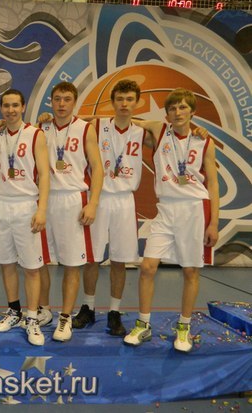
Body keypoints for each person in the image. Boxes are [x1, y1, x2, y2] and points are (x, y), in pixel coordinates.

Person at [124, 88, 219, 352]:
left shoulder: (204, 141)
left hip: (195, 209)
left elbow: (213, 183)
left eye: (183, 107)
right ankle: (143, 324)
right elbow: (123, 118)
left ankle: (184, 327)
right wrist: (79, 118)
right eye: (173, 108)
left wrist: (214, 223)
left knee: (190, 271)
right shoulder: (159, 129)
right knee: (147, 267)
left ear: (192, 112)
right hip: (166, 209)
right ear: (166, 113)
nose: (177, 112)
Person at [70, 79, 146, 337]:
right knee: (91, 257)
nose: (124, 104)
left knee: (120, 259)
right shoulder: (97, 126)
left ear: (137, 102)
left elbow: (170, 126)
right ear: (112, 102)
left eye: (129, 99)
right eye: (120, 99)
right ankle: (88, 307)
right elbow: (71, 120)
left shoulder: (143, 131)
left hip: (125, 199)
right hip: (99, 197)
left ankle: (114, 311)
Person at [38, 81, 103, 343]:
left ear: (74, 102)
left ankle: (65, 317)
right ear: (51, 102)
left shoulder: (85, 129)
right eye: (57, 99)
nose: (61, 104)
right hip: (45, 199)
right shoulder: (41, 128)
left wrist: (93, 203)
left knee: (72, 264)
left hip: (73, 199)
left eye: (67, 99)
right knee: (39, 261)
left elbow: (97, 168)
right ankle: (43, 310)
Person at [0, 89, 50, 346]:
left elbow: (45, 175)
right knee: (6, 263)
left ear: (23, 107)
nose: (11, 110)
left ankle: (33, 317)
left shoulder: (35, 134)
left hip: (26, 205)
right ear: (1, 108)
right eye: (6, 106)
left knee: (31, 267)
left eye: (15, 105)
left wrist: (41, 209)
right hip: (1, 205)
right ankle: (14, 311)